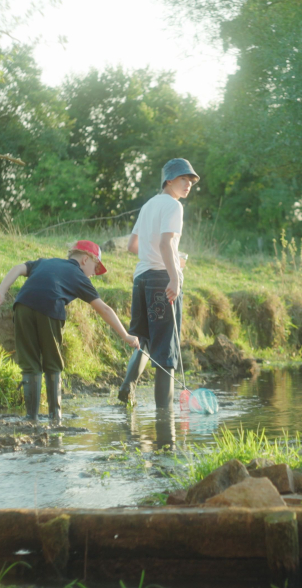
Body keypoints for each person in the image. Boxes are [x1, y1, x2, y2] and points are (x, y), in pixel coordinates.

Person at [0, 240, 140, 423]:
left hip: (22, 305)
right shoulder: (79, 276)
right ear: (85, 259)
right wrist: (125, 335)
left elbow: (19, 267)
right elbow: (104, 309)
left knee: (30, 364)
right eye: (95, 267)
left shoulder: (46, 262)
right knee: (53, 363)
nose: (93, 274)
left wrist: (1, 291)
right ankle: (55, 417)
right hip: (50, 306)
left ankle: (31, 419)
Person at [118, 158, 199, 409]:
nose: (188, 184)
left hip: (141, 279)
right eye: (183, 179)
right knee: (166, 348)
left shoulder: (148, 205)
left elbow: (133, 246)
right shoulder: (174, 206)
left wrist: (172, 257)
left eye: (191, 180)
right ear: (169, 180)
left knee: (145, 339)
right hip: (162, 280)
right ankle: (165, 416)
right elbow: (165, 244)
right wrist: (174, 275)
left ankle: (127, 387)